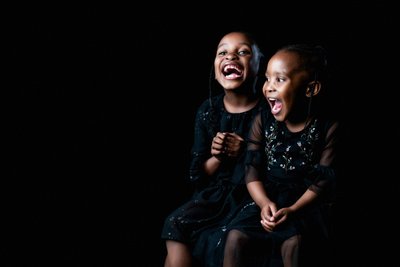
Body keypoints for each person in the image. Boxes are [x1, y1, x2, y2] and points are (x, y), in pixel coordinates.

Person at [222, 44, 339, 267]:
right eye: (267, 79)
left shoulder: (328, 127)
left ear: (310, 89)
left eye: (280, 80)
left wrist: (294, 210)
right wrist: (264, 203)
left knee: (293, 243)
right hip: (268, 197)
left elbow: (323, 180)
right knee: (235, 237)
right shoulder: (262, 120)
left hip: (305, 201)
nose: (269, 88)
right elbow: (252, 172)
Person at [160, 31, 267, 267]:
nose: (231, 56)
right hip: (215, 197)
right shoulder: (208, 110)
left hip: (252, 196)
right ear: (216, 70)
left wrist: (247, 149)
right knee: (175, 222)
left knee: (224, 237)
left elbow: (282, 162)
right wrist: (219, 157)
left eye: (243, 52)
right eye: (223, 52)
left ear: (260, 65)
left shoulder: (268, 111)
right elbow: (197, 175)